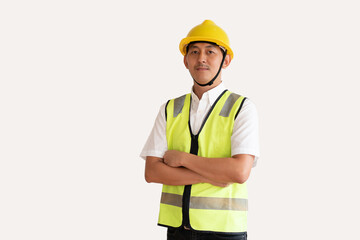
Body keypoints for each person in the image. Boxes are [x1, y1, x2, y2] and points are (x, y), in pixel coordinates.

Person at [140, 20, 260, 240]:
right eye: (194, 51)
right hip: (177, 231)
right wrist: (212, 176)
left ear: (227, 60)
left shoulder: (241, 108)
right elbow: (152, 172)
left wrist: (183, 159)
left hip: (224, 232)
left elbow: (239, 172)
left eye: (210, 51)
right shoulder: (170, 109)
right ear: (185, 61)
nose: (201, 58)